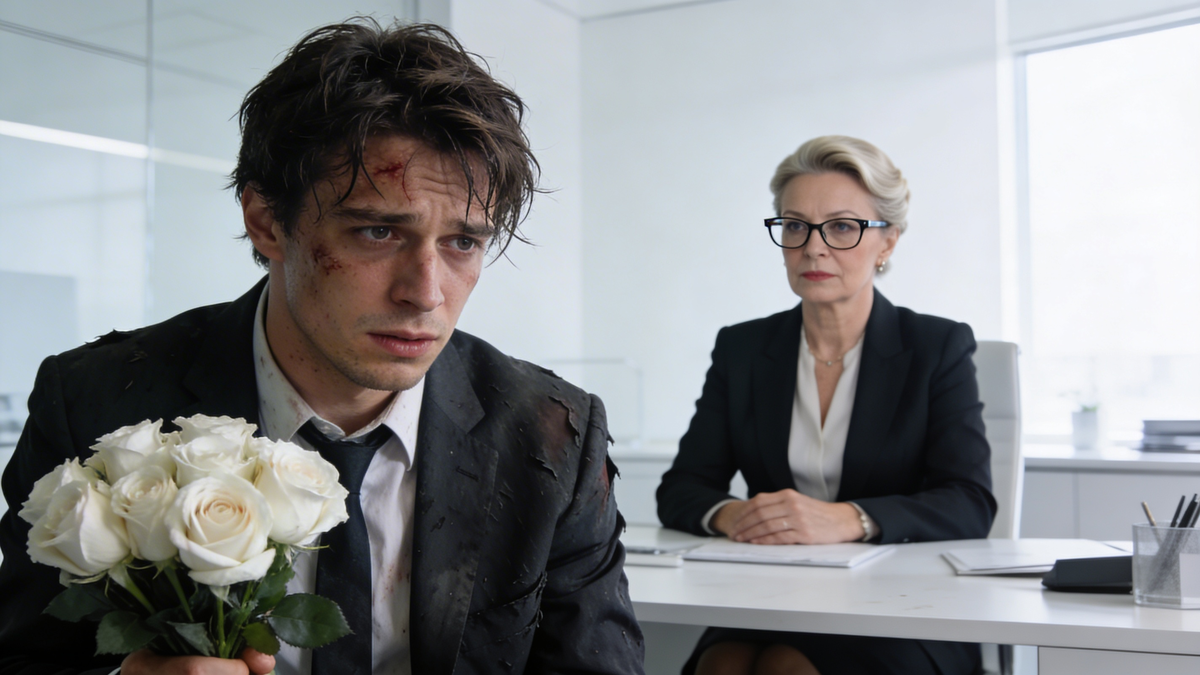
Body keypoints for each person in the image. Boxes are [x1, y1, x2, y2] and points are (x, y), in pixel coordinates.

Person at [0, 19, 644, 675]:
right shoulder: (99, 407)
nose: (425, 293)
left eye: (462, 242)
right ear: (266, 221)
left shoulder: (549, 435)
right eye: (377, 232)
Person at [656, 135, 995, 675]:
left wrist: (849, 520)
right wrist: (738, 515)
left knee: (786, 668)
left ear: (887, 242)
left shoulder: (937, 347)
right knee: (722, 666)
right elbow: (682, 488)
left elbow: (969, 501)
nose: (813, 247)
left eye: (841, 227)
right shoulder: (743, 348)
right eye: (795, 226)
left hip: (903, 603)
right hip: (773, 593)